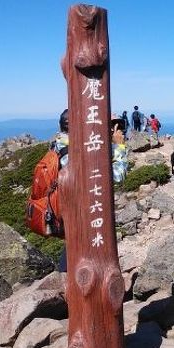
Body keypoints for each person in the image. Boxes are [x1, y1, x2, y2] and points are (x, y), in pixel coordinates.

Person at [52, 109, 128, 271]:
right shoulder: (72, 152)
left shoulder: (62, 144)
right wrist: (120, 146)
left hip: (72, 210)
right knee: (80, 248)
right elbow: (117, 175)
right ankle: (67, 282)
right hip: (82, 213)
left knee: (75, 246)